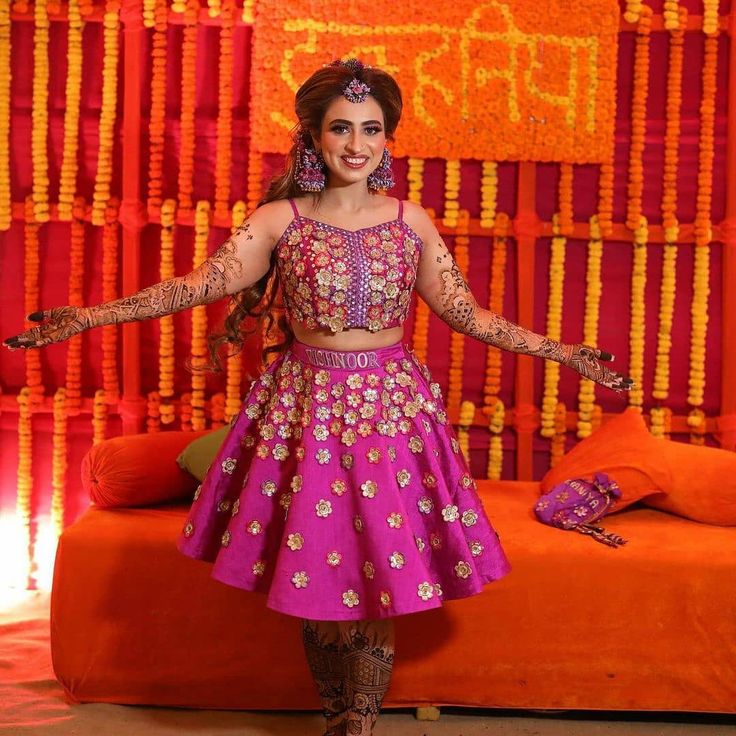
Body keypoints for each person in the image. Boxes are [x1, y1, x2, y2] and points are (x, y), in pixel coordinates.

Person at [3, 58, 633, 736]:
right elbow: (194, 286)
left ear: (389, 139)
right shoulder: (280, 220)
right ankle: (339, 717)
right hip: (306, 410)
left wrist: (563, 353)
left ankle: (359, 722)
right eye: (342, 129)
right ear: (313, 137)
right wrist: (92, 317)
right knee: (322, 569)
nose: (357, 145)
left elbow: (469, 316)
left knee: (379, 577)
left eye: (372, 130)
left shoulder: (411, 222)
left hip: (391, 412)